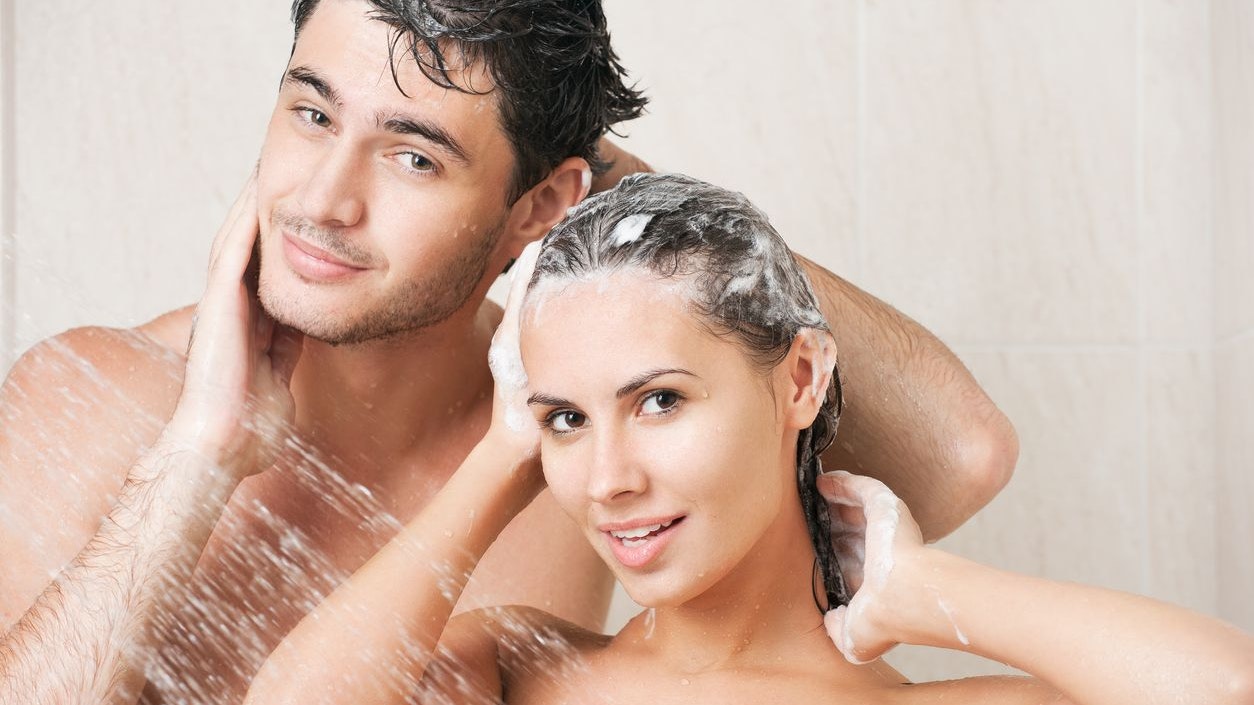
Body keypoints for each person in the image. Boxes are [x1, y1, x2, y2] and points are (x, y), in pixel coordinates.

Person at [0, 2, 1016, 703]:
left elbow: (959, 456)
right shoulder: (96, 395)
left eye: (413, 154)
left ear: (540, 204)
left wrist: (624, 205)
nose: (322, 198)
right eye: (312, 113)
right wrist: (201, 455)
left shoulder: (581, 439)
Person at [245, 172, 1254, 705]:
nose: (607, 479)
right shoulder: (515, 667)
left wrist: (921, 594)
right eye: (568, 420)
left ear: (801, 379)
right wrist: (510, 445)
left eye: (660, 402)